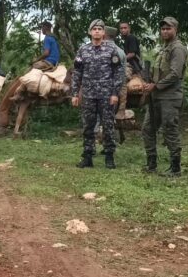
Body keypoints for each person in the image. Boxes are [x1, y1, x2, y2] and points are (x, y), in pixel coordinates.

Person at [71, 19, 124, 169]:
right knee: (88, 126)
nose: (97, 31)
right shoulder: (83, 50)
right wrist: (75, 93)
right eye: (94, 29)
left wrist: (115, 93)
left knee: (108, 126)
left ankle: (109, 157)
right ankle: (88, 157)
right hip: (88, 94)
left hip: (106, 95)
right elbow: (77, 73)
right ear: (90, 32)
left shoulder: (111, 50)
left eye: (100, 29)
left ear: (103, 33)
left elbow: (118, 73)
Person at [142, 16, 188, 177]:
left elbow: (175, 74)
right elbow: (159, 71)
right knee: (148, 128)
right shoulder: (163, 48)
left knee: (170, 129)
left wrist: (156, 85)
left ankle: (175, 168)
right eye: (163, 29)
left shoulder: (178, 48)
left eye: (168, 28)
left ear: (176, 30)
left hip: (170, 96)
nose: (165, 31)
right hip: (156, 96)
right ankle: (151, 163)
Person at [10, 21, 61, 102]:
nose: (42, 29)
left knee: (28, 70)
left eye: (42, 27)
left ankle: (20, 92)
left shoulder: (47, 38)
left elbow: (46, 53)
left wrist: (36, 60)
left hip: (49, 61)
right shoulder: (54, 38)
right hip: (55, 62)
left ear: (46, 28)